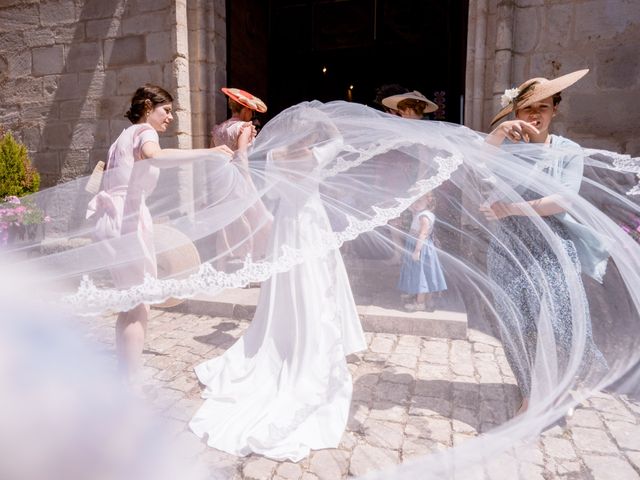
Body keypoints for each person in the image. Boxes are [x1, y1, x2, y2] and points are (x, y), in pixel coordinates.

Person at [189, 105, 366, 462]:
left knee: (289, 290)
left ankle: (285, 338)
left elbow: (258, 181)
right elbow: (340, 139)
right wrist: (324, 119)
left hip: (286, 227)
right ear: (310, 133)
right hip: (311, 224)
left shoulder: (273, 157)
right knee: (318, 286)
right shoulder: (316, 154)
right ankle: (312, 343)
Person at [480, 69, 608, 415]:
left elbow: (563, 201)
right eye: (527, 109)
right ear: (516, 113)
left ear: (555, 111)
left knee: (559, 323)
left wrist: (511, 209)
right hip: (509, 249)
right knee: (516, 325)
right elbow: (477, 168)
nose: (535, 115)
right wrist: (497, 134)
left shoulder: (569, 151)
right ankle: (529, 393)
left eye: (544, 107)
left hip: (552, 248)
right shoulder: (506, 147)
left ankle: (562, 384)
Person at [87, 84, 233, 384]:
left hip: (109, 217)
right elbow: (154, 156)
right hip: (125, 218)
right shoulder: (144, 132)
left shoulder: (120, 138)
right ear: (146, 107)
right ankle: (129, 384)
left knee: (130, 303)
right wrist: (208, 152)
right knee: (140, 306)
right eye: (166, 110)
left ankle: (125, 374)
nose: (170, 118)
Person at [210, 87, 269, 263]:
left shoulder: (219, 129)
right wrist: (248, 179)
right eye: (251, 110)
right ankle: (248, 262)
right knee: (250, 219)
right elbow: (242, 155)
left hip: (221, 178)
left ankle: (223, 264)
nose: (251, 114)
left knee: (226, 221)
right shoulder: (244, 127)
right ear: (246, 109)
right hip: (238, 177)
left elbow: (212, 155)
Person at [397, 192, 447, 311]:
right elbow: (410, 205)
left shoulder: (424, 216)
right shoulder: (420, 212)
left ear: (428, 201)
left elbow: (423, 234)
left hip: (420, 247)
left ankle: (420, 303)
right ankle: (414, 292)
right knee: (414, 270)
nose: (415, 204)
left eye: (419, 201)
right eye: (414, 201)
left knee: (421, 274)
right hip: (414, 245)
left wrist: (417, 250)